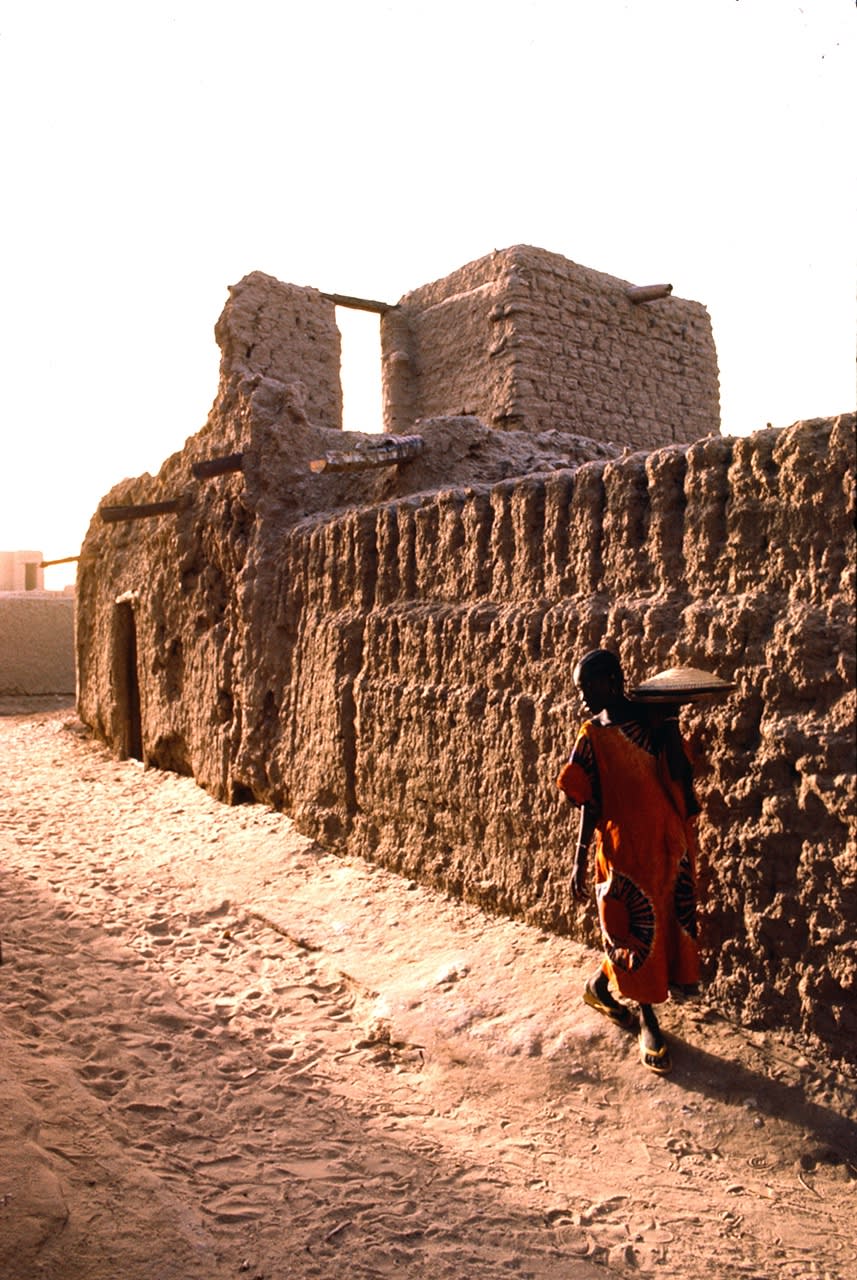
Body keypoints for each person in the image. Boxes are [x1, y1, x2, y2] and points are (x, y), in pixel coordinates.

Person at [557, 648, 701, 1074]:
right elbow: (585, 800)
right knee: (635, 934)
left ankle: (599, 987)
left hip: (664, 846)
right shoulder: (592, 735)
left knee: (660, 929)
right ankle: (648, 1021)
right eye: (579, 690)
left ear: (613, 681)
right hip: (621, 856)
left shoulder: (650, 721)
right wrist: (579, 859)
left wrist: (671, 723)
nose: (583, 697)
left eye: (589, 687)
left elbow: (680, 772)